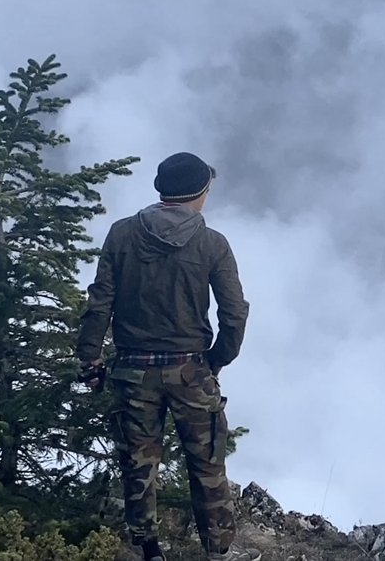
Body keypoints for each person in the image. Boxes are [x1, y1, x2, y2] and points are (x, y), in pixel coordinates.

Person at [76, 151, 257, 561]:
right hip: (191, 369)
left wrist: (89, 360)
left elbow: (99, 303)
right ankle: (219, 553)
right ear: (201, 193)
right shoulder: (212, 244)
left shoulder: (121, 235)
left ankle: (147, 551)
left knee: (138, 466)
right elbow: (234, 311)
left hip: (132, 370)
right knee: (208, 464)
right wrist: (216, 360)